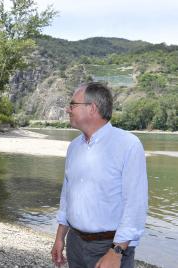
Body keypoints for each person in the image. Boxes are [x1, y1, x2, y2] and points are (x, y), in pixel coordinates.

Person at [51, 82, 148, 268]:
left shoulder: (128, 145)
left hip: (109, 247)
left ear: (92, 108)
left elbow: (135, 205)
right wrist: (59, 237)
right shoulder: (74, 147)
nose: (67, 109)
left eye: (73, 105)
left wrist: (117, 251)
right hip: (75, 244)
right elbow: (67, 196)